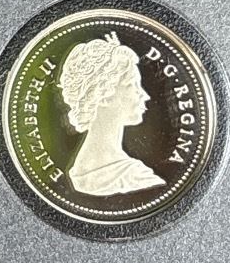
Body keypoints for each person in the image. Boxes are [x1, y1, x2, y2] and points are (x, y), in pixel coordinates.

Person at [58, 32, 164, 197]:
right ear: (104, 94)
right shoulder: (134, 177)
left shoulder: (80, 170)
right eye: (132, 85)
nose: (144, 95)